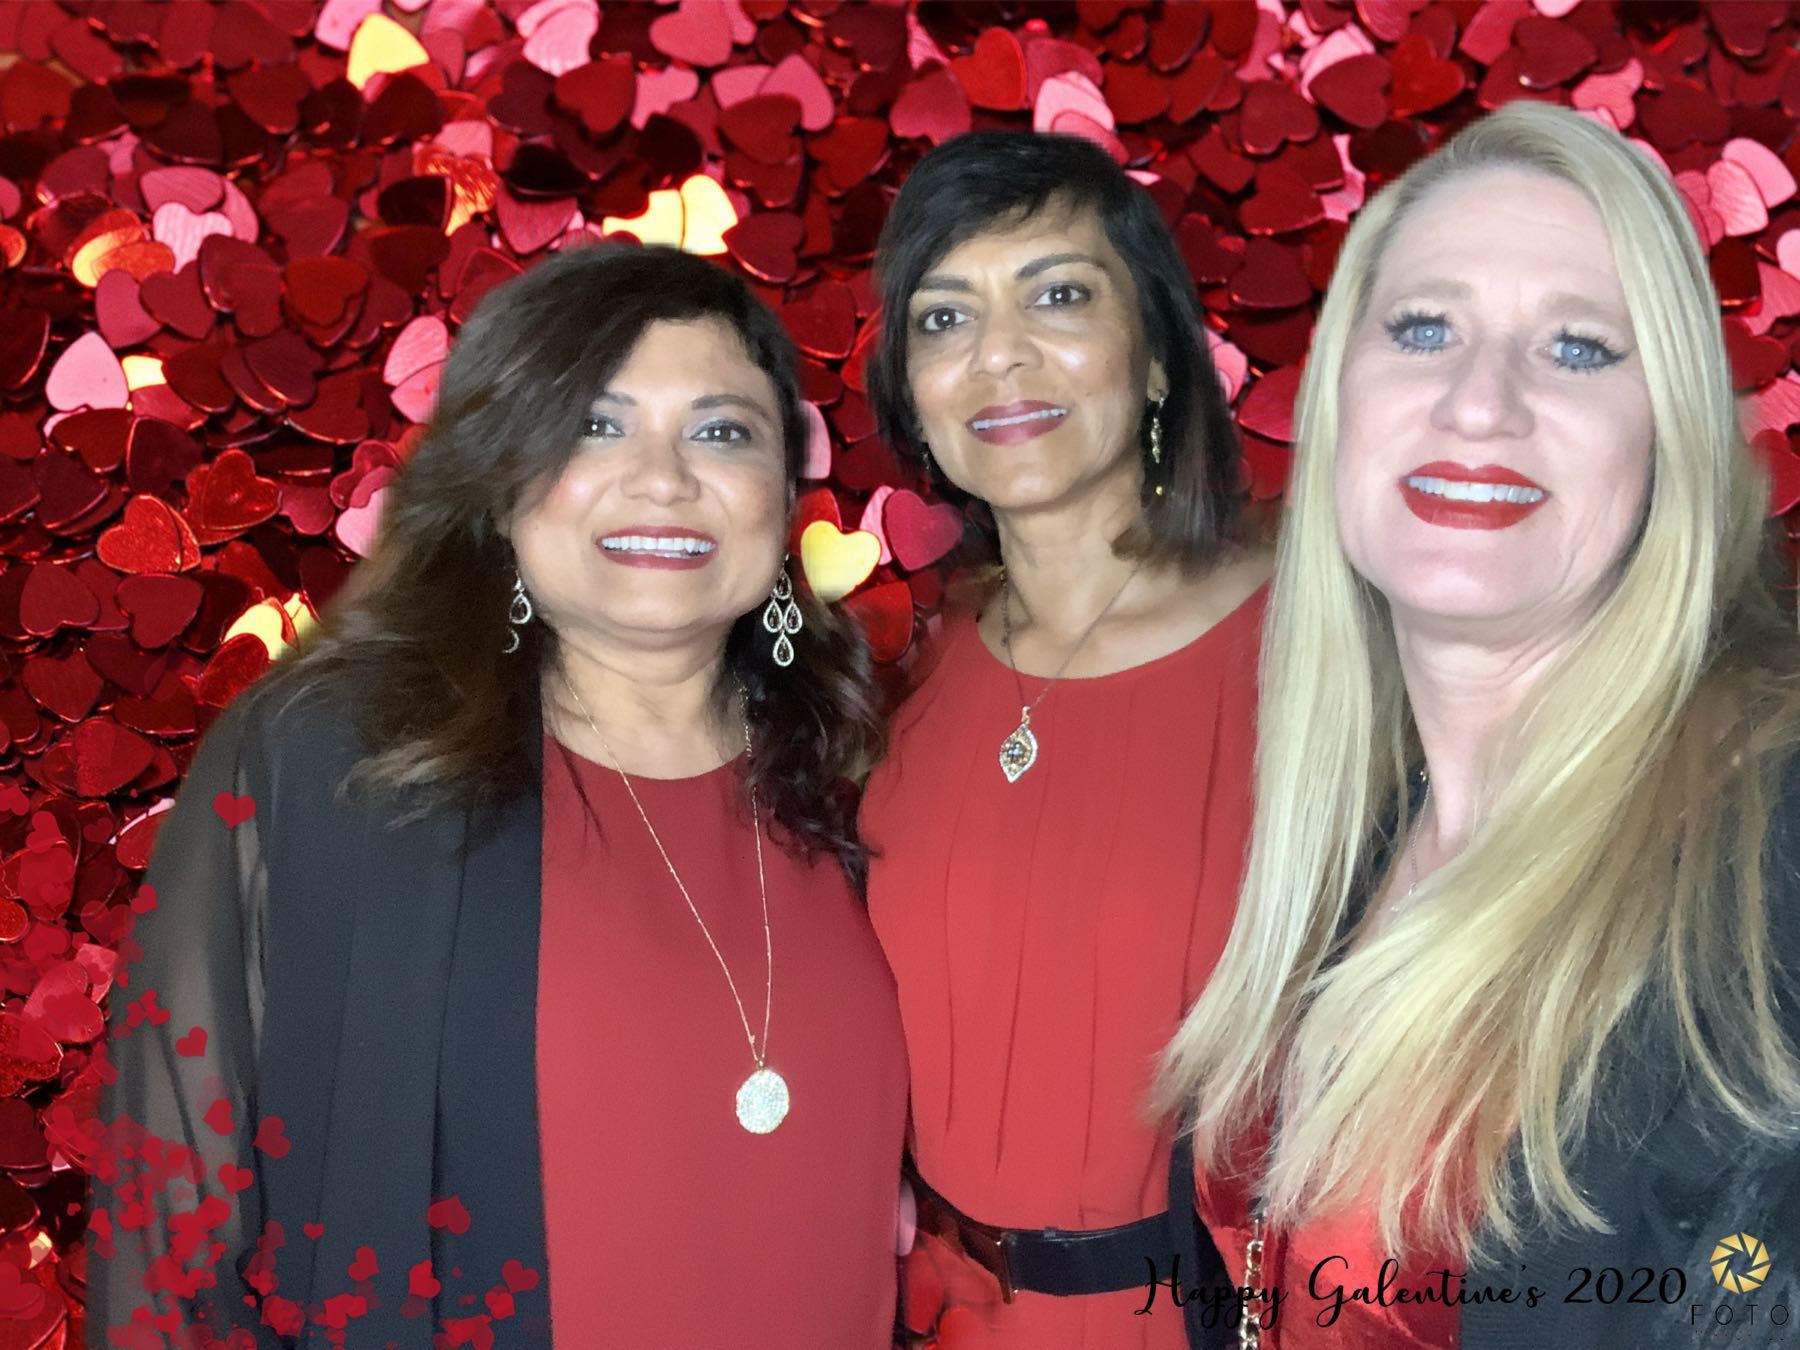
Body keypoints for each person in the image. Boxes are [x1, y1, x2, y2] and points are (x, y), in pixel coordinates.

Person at [85, 245, 907, 1349]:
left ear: (782, 492)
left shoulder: (860, 772)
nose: (663, 478)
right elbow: (171, 1226)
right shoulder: (332, 765)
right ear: (502, 479)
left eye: (722, 432)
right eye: (596, 426)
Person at [1158, 102, 1800, 1350]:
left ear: (1666, 444)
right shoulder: (1362, 836)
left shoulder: (1771, 856)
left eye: (1578, 347)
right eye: (1423, 329)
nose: (1477, 402)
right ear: (1341, 404)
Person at [861, 130, 1266, 1349]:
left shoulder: (1314, 657)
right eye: (945, 319)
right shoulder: (921, 671)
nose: (999, 354)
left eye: (1058, 295)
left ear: (1159, 360)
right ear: (914, 396)